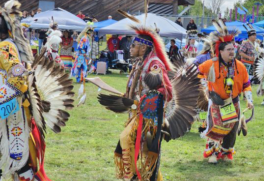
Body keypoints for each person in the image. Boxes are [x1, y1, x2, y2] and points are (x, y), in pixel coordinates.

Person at [96, 10, 202, 180]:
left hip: (149, 117)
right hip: (138, 112)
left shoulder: (153, 64)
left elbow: (164, 91)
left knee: (129, 140)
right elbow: (135, 89)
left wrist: (143, 99)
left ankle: (131, 176)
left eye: (133, 45)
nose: (130, 48)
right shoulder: (140, 63)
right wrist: (129, 98)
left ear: (143, 47)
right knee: (147, 152)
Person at [0, 1, 74, 180]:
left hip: (12, 112)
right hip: (12, 110)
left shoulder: (5, 47)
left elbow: (18, 77)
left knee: (17, 158)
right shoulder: (7, 44)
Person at [198, 19, 253, 163]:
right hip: (216, 101)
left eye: (233, 49)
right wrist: (204, 86)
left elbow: (247, 84)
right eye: (228, 50)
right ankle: (213, 154)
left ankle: (226, 152)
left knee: (231, 129)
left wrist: (249, 100)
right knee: (215, 127)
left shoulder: (239, 66)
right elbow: (198, 72)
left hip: (232, 102)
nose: (232, 52)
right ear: (220, 51)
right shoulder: (211, 64)